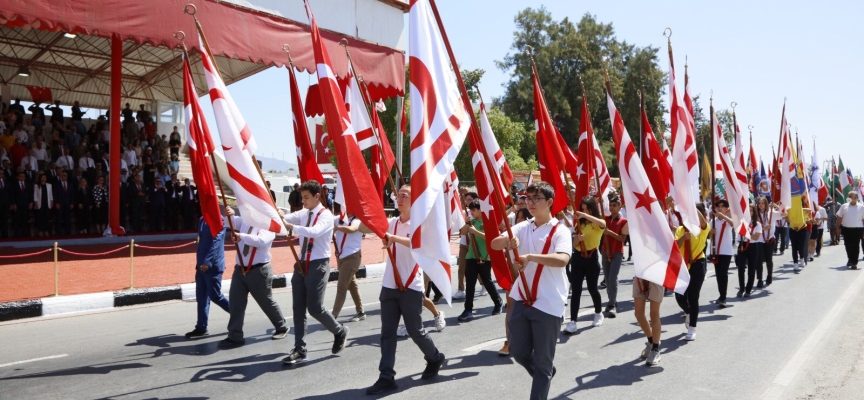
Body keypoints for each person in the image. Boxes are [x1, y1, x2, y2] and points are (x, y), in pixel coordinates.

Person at [491, 182, 571, 400]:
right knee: (517, 350)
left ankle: (543, 375)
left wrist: (530, 257)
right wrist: (508, 241)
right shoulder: (523, 226)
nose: (531, 203)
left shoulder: (560, 230)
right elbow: (494, 243)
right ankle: (544, 374)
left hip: (548, 302)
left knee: (543, 360)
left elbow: (563, 259)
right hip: (522, 297)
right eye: (528, 198)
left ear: (550, 202)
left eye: (537, 199)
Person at [363, 185, 445, 395]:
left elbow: (417, 244)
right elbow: (366, 228)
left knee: (415, 331)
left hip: (411, 286)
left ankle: (435, 358)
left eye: (404, 196)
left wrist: (393, 238)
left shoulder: (420, 225)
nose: (399, 199)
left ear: (414, 200)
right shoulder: (391, 223)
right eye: (398, 195)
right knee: (387, 334)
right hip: (389, 285)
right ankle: (386, 376)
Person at [280, 180, 349, 365]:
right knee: (298, 308)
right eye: (302, 197)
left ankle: (339, 331)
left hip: (318, 264)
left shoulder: (326, 216)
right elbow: (288, 217)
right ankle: (300, 348)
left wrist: (292, 228)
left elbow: (314, 232)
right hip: (301, 264)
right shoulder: (305, 213)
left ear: (317, 196)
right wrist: (279, 215)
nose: (303, 201)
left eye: (306, 197)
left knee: (315, 308)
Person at [221, 206, 288, 347]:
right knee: (236, 302)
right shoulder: (246, 221)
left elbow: (261, 241)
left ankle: (281, 326)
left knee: (266, 301)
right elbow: (228, 223)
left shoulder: (269, 225)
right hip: (240, 270)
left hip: (259, 271)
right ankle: (235, 335)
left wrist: (241, 236)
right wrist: (229, 215)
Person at [563, 196, 607, 334]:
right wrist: (578, 239)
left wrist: (585, 215)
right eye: (582, 209)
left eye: (587, 209)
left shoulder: (598, 223)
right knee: (576, 290)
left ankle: (598, 313)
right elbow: (574, 244)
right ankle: (573, 321)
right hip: (578, 258)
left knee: (592, 288)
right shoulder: (579, 224)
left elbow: (602, 224)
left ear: (592, 208)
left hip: (592, 258)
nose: (584, 211)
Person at [457, 199, 503, 322]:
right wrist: (466, 223)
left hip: (484, 256)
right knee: (470, 284)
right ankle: (468, 310)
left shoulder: (488, 222)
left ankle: (498, 302)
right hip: (471, 256)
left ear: (480, 210)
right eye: (470, 210)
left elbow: (492, 238)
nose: (471, 212)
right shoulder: (472, 222)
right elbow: (462, 232)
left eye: (473, 210)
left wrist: (475, 232)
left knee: (487, 282)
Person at [185, 217, 231, 339]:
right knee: (201, 297)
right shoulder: (201, 219)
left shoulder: (219, 220)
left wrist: (207, 261)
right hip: (201, 265)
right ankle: (201, 327)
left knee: (215, 296)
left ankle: (236, 312)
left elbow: (216, 241)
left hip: (212, 265)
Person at [674, 203, 710, 341]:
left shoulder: (702, 228)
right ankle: (688, 312)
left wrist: (691, 208)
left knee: (693, 296)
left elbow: (703, 222)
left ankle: (692, 327)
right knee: (679, 295)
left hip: (697, 263)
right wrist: (684, 237)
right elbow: (675, 246)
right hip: (683, 266)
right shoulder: (681, 229)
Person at [331, 213, 365, 321]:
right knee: (352, 284)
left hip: (352, 257)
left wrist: (337, 228)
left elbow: (352, 229)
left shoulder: (357, 220)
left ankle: (333, 316)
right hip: (341, 257)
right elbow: (326, 220)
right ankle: (360, 312)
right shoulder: (338, 219)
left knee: (342, 286)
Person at [601, 196, 628, 317]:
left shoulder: (624, 221)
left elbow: (622, 238)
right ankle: (611, 300)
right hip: (605, 251)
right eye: (610, 205)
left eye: (614, 205)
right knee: (607, 279)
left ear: (619, 206)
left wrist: (610, 233)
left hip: (617, 251)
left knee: (612, 277)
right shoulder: (605, 218)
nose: (612, 207)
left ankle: (612, 304)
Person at [710, 200, 735, 308]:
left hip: (726, 251)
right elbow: (709, 238)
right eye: (718, 206)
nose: (720, 208)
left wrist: (723, 216)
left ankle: (723, 297)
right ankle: (721, 295)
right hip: (716, 252)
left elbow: (733, 223)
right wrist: (711, 234)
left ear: (726, 209)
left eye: (722, 207)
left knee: (723, 274)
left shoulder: (728, 221)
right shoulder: (713, 222)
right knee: (718, 275)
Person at [454, 191, 478, 300]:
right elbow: (462, 230)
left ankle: (483, 284)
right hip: (464, 243)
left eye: (470, 200)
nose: (468, 202)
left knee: (477, 267)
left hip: (475, 244)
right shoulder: (463, 213)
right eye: (466, 200)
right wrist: (466, 221)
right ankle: (461, 289)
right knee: (461, 268)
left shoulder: (478, 213)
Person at [737, 207, 764, 297]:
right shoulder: (741, 222)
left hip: (753, 246)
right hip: (742, 245)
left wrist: (746, 233)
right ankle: (741, 288)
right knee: (741, 268)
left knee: (751, 269)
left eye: (751, 210)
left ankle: (748, 289)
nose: (749, 212)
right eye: (748, 211)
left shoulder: (757, 224)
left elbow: (756, 237)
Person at [836, 192, 864, 269]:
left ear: (856, 198)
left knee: (855, 245)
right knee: (848, 245)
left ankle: (854, 262)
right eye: (848, 196)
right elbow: (839, 218)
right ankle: (850, 259)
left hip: (857, 229)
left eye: (850, 196)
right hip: (846, 229)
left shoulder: (862, 207)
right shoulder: (844, 206)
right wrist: (837, 228)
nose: (848, 197)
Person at [54, 171, 75, 235]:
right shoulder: (57, 184)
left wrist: (72, 203)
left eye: (66, 175)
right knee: (58, 218)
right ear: (60, 176)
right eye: (63, 175)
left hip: (68, 204)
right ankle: (58, 231)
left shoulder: (70, 185)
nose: (64, 177)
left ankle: (68, 231)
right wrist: (56, 203)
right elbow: (55, 194)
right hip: (59, 204)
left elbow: (72, 195)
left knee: (68, 218)